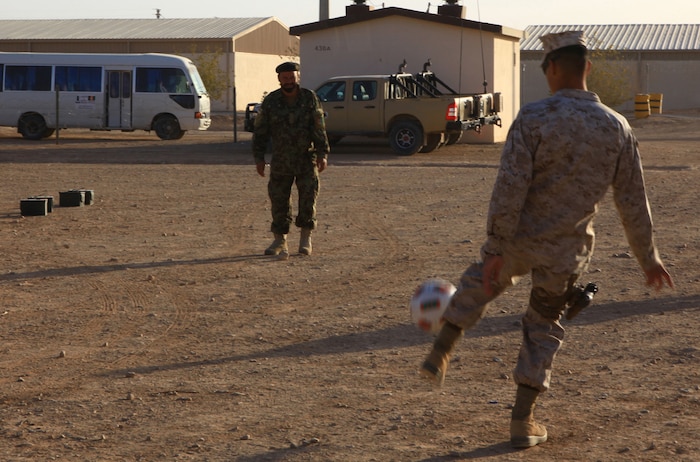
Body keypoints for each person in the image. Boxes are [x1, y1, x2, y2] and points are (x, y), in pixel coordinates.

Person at [419, 30, 674, 449]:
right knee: (543, 325)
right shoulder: (617, 126)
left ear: (551, 69)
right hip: (567, 250)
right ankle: (523, 421)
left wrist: (496, 248)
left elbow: (510, 187)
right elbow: (632, 199)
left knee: (482, 282)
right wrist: (649, 258)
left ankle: (442, 349)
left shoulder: (534, 118)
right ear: (587, 67)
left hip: (520, 238)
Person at [253, 61, 330, 257]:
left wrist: (323, 153)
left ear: (298, 77)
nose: (289, 81)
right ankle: (280, 240)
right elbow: (260, 131)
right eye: (285, 78)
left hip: (306, 159)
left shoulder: (309, 98)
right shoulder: (271, 101)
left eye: (292, 77)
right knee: (279, 200)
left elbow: (318, 128)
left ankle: (305, 238)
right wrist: (259, 158)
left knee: (308, 198)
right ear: (279, 79)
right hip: (281, 160)